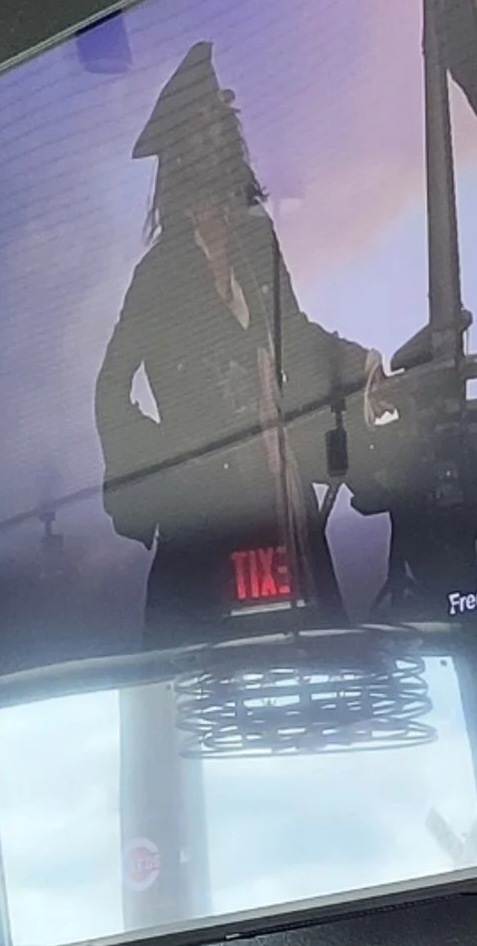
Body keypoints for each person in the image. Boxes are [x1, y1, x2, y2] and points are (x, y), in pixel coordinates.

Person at [95, 42, 371, 640]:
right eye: (199, 132)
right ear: (179, 157)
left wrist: (357, 364)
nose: (214, 142)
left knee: (308, 646)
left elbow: (291, 334)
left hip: (280, 494)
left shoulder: (257, 242)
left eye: (219, 128)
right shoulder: (160, 271)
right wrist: (168, 472)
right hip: (205, 516)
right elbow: (110, 389)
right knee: (203, 662)